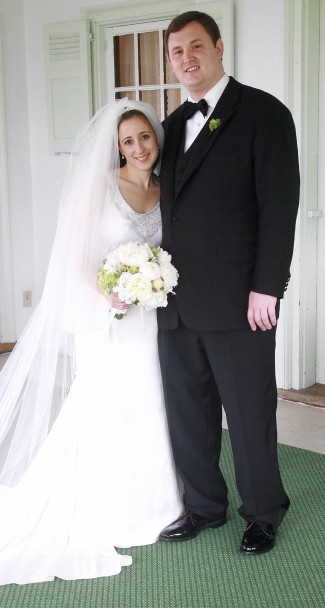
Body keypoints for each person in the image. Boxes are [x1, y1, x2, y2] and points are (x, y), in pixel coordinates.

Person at [0, 99, 182, 602]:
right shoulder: (102, 185)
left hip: (153, 318)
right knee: (110, 407)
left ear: (156, 138)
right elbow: (71, 250)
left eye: (144, 137)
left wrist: (149, 284)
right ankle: (110, 506)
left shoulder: (166, 186)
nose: (138, 147)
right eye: (127, 141)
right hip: (107, 317)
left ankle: (159, 503)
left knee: (154, 404)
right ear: (117, 147)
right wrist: (108, 291)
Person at [157, 11, 300, 555]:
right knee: (187, 412)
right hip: (173, 303)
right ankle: (203, 506)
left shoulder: (265, 114)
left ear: (219, 48)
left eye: (196, 46)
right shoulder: (168, 128)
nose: (186, 59)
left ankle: (263, 512)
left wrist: (269, 286)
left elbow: (279, 207)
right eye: (176, 52)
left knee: (248, 413)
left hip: (242, 301)